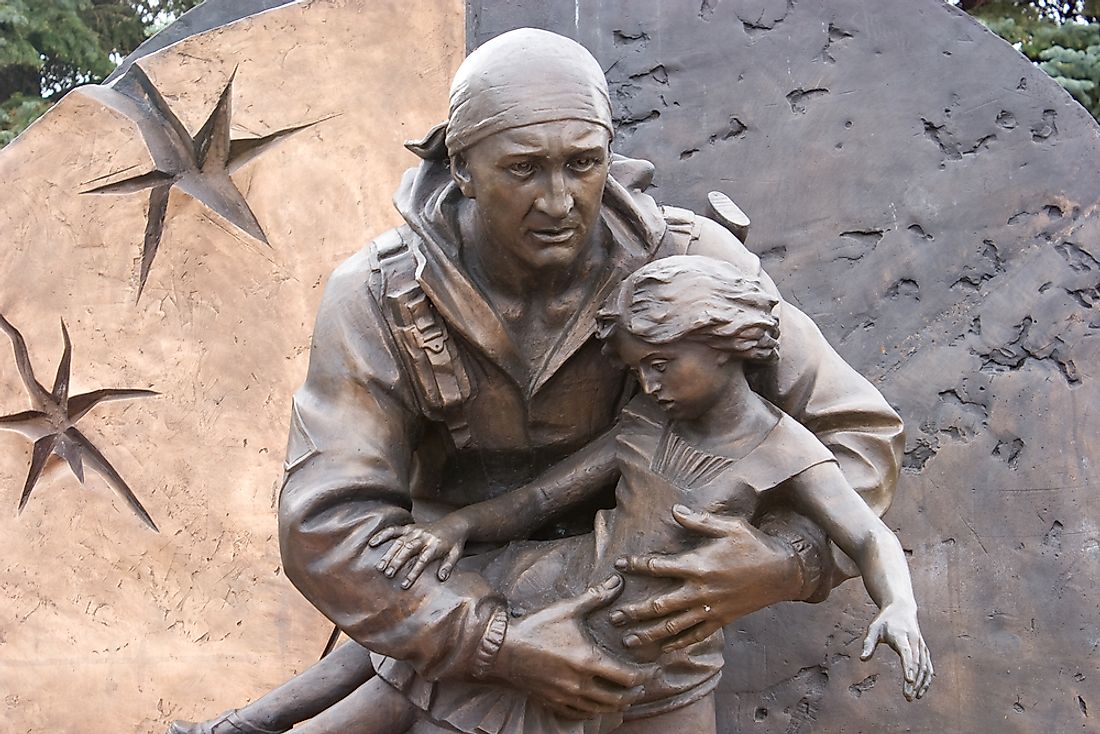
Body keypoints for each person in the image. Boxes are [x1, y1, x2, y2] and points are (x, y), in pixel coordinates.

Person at [169, 27, 905, 734]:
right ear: (462, 167)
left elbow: (857, 438)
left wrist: (787, 564)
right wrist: (496, 645)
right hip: (453, 635)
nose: (558, 202)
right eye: (523, 169)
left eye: (583, 164)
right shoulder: (374, 295)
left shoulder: (694, 272)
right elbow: (325, 527)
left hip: (654, 652)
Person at [357, 255, 931, 734]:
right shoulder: (646, 421)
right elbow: (539, 499)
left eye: (659, 366)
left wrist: (898, 606)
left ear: (724, 344)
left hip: (664, 655)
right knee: (383, 683)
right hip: (554, 605)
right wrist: (457, 526)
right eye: (640, 372)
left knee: (400, 693)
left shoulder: (788, 451)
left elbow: (867, 535)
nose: (649, 386)